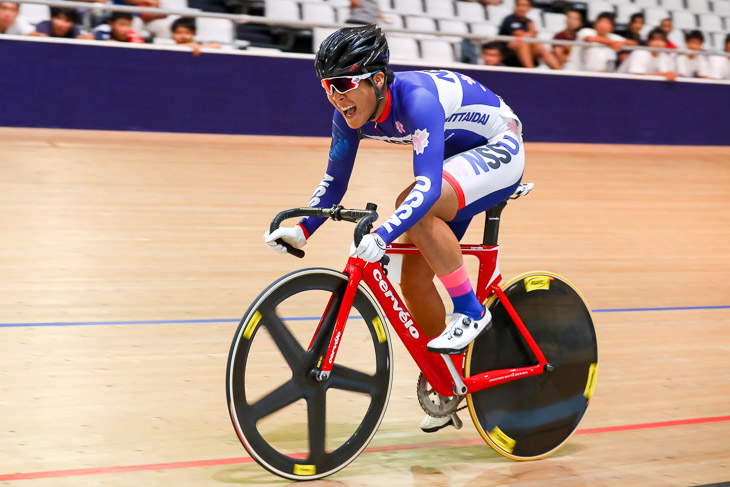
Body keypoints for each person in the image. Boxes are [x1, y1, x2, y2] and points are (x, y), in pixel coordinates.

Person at [263, 25, 525, 433]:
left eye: (344, 83)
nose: (335, 95)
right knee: (414, 281)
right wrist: (303, 230)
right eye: (327, 86)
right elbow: (334, 181)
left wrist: (382, 235)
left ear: (378, 79)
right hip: (456, 158)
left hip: (497, 147)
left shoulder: (417, 102)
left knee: (412, 208)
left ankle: (471, 311)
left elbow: (427, 187)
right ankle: (449, 380)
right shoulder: (348, 112)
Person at [498, 0, 562, 69]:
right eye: (520, 5)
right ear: (515, 6)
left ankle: (559, 71)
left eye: (525, 6)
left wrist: (530, 34)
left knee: (539, 46)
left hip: (528, 49)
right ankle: (531, 71)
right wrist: (531, 32)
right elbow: (518, 35)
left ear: (529, 8)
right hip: (508, 50)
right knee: (522, 43)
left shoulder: (530, 21)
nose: (522, 8)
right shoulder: (509, 19)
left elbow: (533, 37)